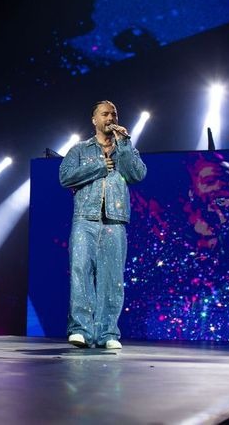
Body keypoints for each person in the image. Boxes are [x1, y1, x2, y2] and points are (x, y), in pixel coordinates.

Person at [59, 100, 147, 349]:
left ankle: (108, 333)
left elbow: (137, 175)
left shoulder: (125, 148)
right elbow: (64, 177)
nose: (110, 118)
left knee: (112, 278)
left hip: (114, 221)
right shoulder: (79, 149)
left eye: (114, 114)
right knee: (80, 273)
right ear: (94, 120)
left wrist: (126, 145)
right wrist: (98, 166)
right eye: (105, 114)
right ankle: (81, 331)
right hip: (84, 219)